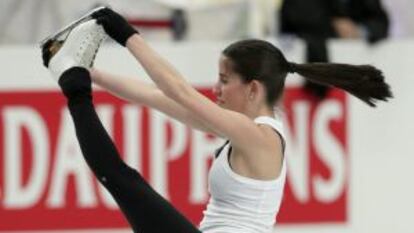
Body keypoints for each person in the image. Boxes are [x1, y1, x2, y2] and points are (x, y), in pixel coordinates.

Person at [41, 7, 392, 233]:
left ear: (253, 89)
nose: (216, 88)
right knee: (121, 177)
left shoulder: (259, 137)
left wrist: (124, 32)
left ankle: (73, 86)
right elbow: (155, 95)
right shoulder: (238, 131)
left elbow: (179, 89)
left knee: (121, 177)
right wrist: (90, 70)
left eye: (225, 80)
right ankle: (73, 78)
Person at [280, 0, 389, 98]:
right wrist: (333, 26)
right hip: (308, 58)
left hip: (356, 75)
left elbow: (381, 22)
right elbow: (297, 16)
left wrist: (359, 31)